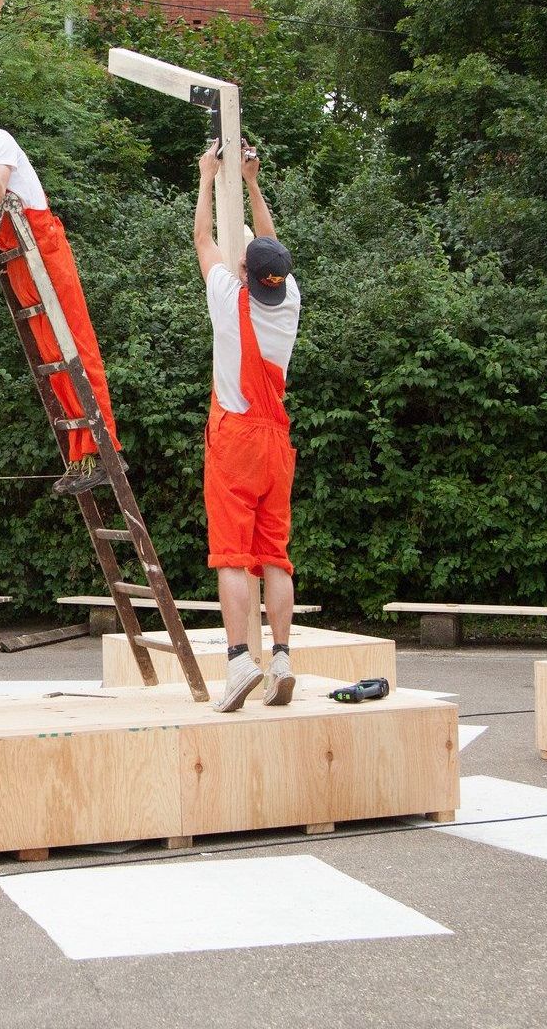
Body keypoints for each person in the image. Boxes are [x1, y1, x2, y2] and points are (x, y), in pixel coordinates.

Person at [0, 113, 117, 494]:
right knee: (53, 356)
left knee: (76, 346)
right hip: (18, 261)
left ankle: (103, 451)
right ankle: (82, 455)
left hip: (42, 249)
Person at [192, 143, 302, 712]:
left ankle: (239, 662)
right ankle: (281, 658)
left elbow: (202, 240)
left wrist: (208, 177)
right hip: (276, 443)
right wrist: (253, 183)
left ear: (245, 273)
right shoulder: (290, 301)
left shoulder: (227, 298)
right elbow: (270, 245)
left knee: (232, 555)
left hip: (235, 439)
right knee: (275, 555)